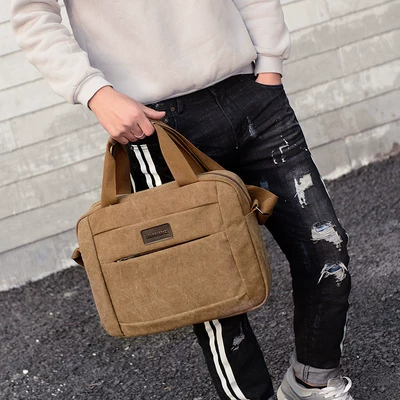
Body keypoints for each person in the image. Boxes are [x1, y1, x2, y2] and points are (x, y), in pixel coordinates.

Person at [10, 1, 354, 399]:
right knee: (212, 289)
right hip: (155, 123)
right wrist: (95, 93)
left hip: (253, 96)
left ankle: (311, 382)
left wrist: (270, 64)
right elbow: (33, 14)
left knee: (327, 249)